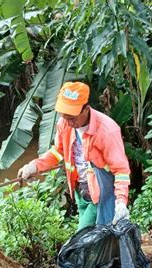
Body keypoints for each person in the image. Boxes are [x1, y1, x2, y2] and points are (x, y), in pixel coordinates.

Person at [17, 81, 130, 230]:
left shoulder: (107, 131)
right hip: (80, 190)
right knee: (97, 235)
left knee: (83, 235)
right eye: (64, 116)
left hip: (100, 193)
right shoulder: (64, 123)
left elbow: (121, 170)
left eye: (72, 118)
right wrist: (34, 166)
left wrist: (121, 201)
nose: (68, 122)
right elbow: (58, 152)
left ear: (86, 109)